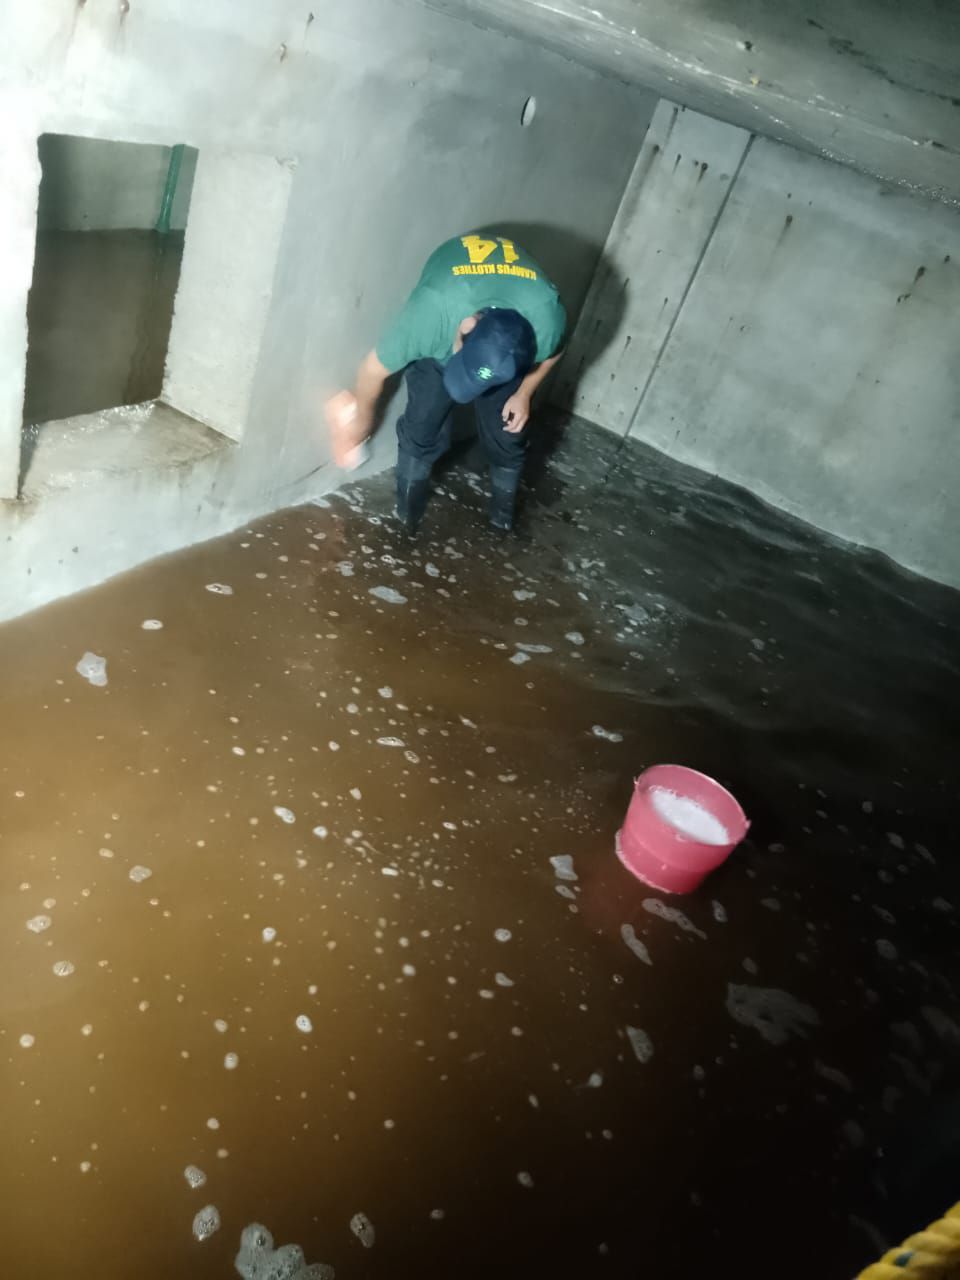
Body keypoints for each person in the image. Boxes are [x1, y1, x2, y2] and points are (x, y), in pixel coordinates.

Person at [328, 232, 566, 533]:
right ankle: (407, 518)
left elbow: (556, 350)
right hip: (453, 300)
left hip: (505, 333)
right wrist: (359, 422)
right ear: (466, 327)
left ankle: (501, 521)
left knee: (508, 432)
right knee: (422, 425)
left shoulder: (546, 321)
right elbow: (371, 371)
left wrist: (524, 393)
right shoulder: (431, 316)